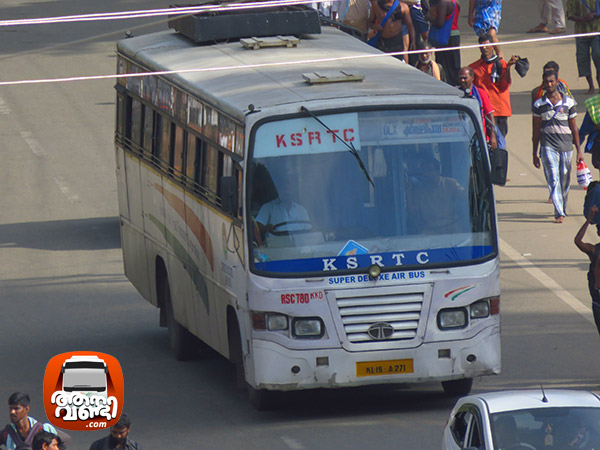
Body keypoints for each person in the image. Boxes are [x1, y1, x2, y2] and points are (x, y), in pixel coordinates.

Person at [532, 70, 584, 223]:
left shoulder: (569, 103)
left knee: (564, 178)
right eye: (546, 82)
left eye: (551, 81)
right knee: (553, 177)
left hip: (567, 146)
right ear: (543, 84)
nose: (549, 84)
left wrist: (579, 151)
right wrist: (534, 153)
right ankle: (558, 212)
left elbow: (574, 128)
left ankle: (563, 205)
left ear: (557, 82)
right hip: (547, 146)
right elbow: (535, 131)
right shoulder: (538, 105)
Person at [469, 33, 518, 138]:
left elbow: (505, 86)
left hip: (500, 110)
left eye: (487, 45)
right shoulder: (473, 68)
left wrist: (508, 67)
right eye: (481, 46)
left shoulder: (502, 64)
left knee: (500, 142)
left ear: (493, 46)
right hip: (484, 111)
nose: (484, 48)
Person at [407, 155, 466, 234]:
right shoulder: (420, 190)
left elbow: (465, 196)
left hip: (452, 227)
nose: (426, 174)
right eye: (424, 171)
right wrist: (408, 190)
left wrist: (470, 177)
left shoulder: (450, 183)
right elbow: (412, 213)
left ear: (438, 171)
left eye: (430, 170)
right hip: (431, 230)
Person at [575, 204, 600, 336]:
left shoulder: (594, 251)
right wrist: (589, 219)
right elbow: (577, 241)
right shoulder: (594, 251)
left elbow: (577, 241)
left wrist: (589, 219)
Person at [458, 66, 498, 150]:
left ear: (472, 78)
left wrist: (493, 136)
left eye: (465, 78)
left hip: (479, 136)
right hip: (461, 137)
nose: (462, 81)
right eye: (460, 78)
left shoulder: (481, 93)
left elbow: (490, 115)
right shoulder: (456, 94)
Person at [567, 0, 600, 94]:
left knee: (598, 55)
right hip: (581, 33)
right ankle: (591, 86)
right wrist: (583, 19)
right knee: (583, 59)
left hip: (597, 31)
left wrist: (596, 14)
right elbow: (570, 15)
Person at [426, 0, 461, 86]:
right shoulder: (456, 2)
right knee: (454, 63)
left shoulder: (443, 3)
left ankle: (447, 84)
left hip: (446, 37)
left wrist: (428, 18)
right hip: (455, 34)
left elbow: (440, 23)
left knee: (444, 64)